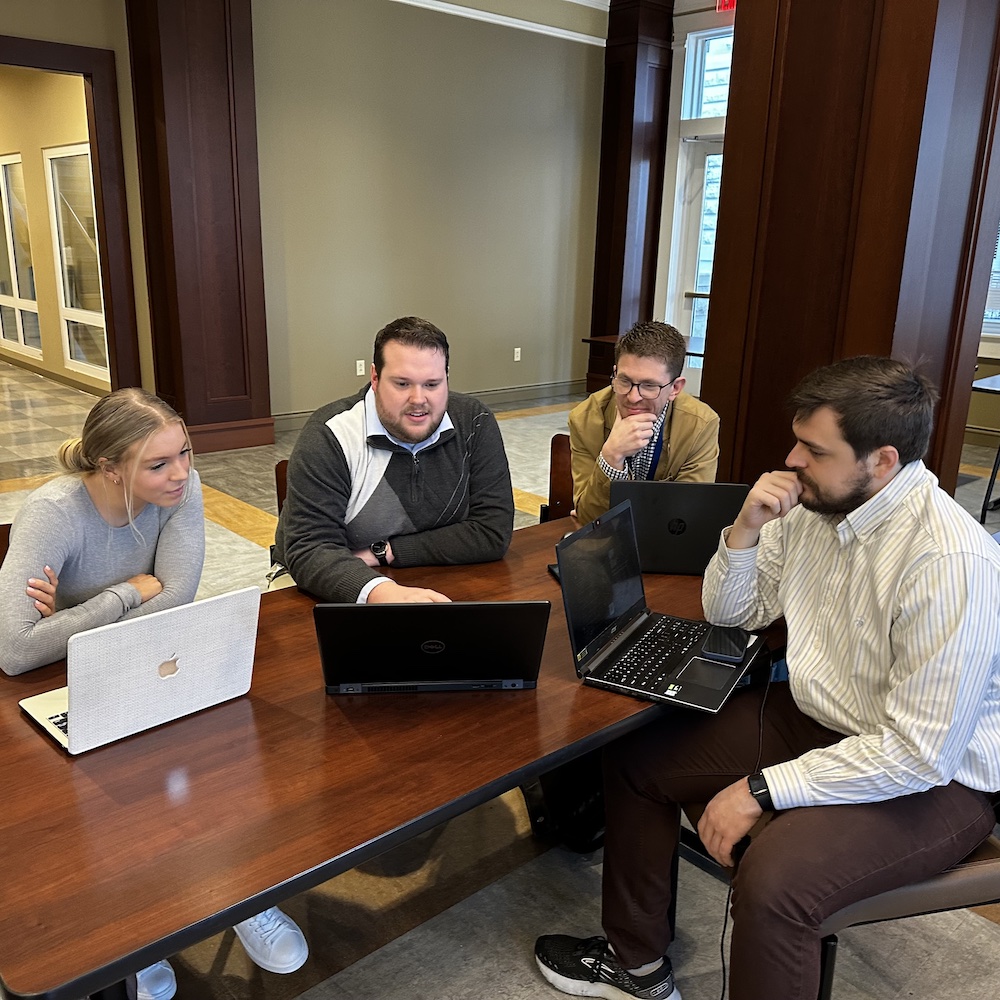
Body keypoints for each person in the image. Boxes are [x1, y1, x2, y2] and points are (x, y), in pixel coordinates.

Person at [534, 356, 1000, 1000]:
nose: (791, 458)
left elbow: (921, 751)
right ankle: (635, 963)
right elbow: (733, 613)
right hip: (821, 719)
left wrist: (761, 788)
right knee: (638, 755)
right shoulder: (815, 505)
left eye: (813, 448)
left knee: (776, 883)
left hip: (935, 778)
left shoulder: (950, 561)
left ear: (883, 461)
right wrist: (745, 529)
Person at [0, 388, 308, 1000]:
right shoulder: (54, 513)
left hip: (144, 655)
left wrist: (77, 614)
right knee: (119, 803)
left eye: (185, 454)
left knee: (220, 760)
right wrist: (128, 593)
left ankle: (236, 895)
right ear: (111, 469)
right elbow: (13, 652)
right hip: (59, 685)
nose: (182, 474)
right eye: (159, 464)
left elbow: (181, 594)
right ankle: (140, 935)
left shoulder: (179, 491)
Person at [272, 315, 514, 602]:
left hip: (433, 578)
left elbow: (491, 531)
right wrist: (381, 592)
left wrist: (386, 551)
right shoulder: (330, 435)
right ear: (375, 378)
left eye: (432, 384)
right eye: (402, 384)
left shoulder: (474, 422)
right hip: (327, 588)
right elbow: (311, 549)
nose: (418, 399)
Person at [567, 321, 720, 524]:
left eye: (649, 385)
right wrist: (611, 457)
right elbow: (589, 518)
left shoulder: (700, 425)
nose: (633, 397)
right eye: (624, 381)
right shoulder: (584, 419)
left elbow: (686, 519)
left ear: (675, 388)